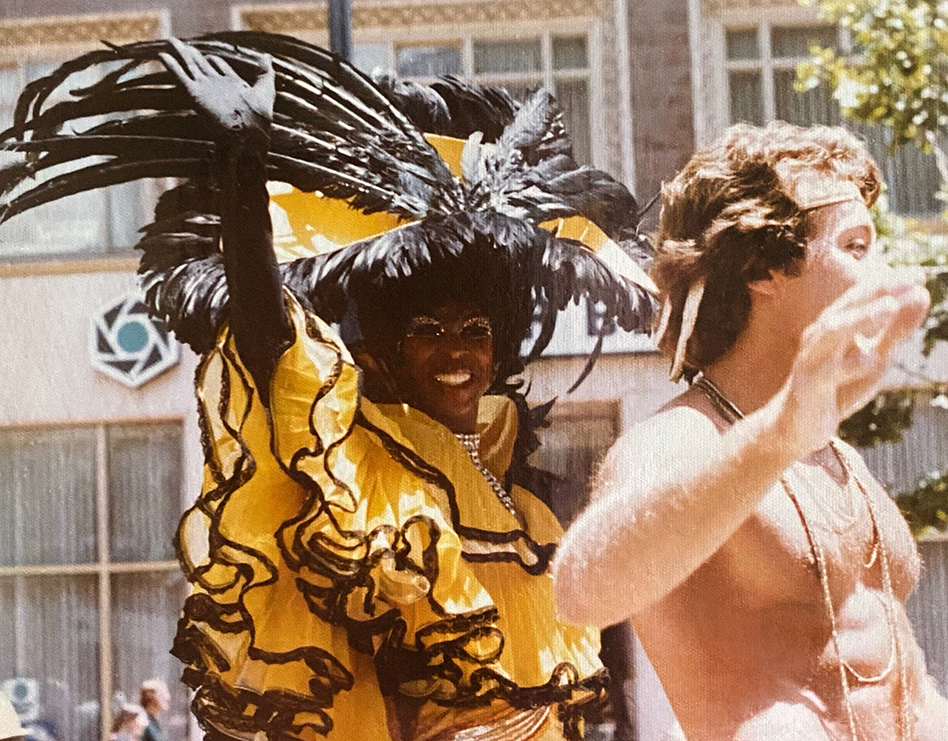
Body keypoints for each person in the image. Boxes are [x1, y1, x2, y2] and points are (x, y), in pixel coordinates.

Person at [0, 32, 655, 741]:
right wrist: (244, 177)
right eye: (428, 330)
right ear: (386, 352)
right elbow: (270, 338)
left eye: (474, 330)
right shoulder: (362, 470)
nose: (456, 351)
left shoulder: (522, 499)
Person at [553, 121, 948, 740]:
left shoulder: (832, 450)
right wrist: (780, 433)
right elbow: (580, 592)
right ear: (765, 270)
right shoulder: (681, 438)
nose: (878, 272)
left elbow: (886, 668)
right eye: (856, 247)